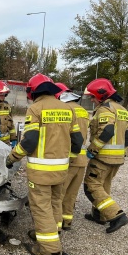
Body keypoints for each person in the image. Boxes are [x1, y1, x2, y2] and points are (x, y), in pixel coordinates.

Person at [5, 73, 83, 255]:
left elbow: (29, 141)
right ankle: (52, 233)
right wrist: (67, 159)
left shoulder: (36, 109)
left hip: (41, 172)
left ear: (32, 91)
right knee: (55, 202)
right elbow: (78, 141)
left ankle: (49, 249)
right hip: (61, 170)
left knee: (41, 208)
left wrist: (13, 157)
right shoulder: (67, 109)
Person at [82, 78, 128, 233]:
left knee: (91, 186)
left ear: (101, 95)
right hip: (118, 157)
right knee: (103, 186)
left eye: (92, 96)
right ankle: (99, 216)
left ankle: (117, 216)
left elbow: (107, 131)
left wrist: (92, 149)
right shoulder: (122, 109)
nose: (91, 99)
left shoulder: (105, 109)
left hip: (103, 157)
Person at [55, 83, 89, 231]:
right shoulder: (82, 110)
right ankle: (67, 222)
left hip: (69, 158)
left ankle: (55, 227)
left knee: (58, 194)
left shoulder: (65, 109)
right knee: (71, 193)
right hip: (82, 159)